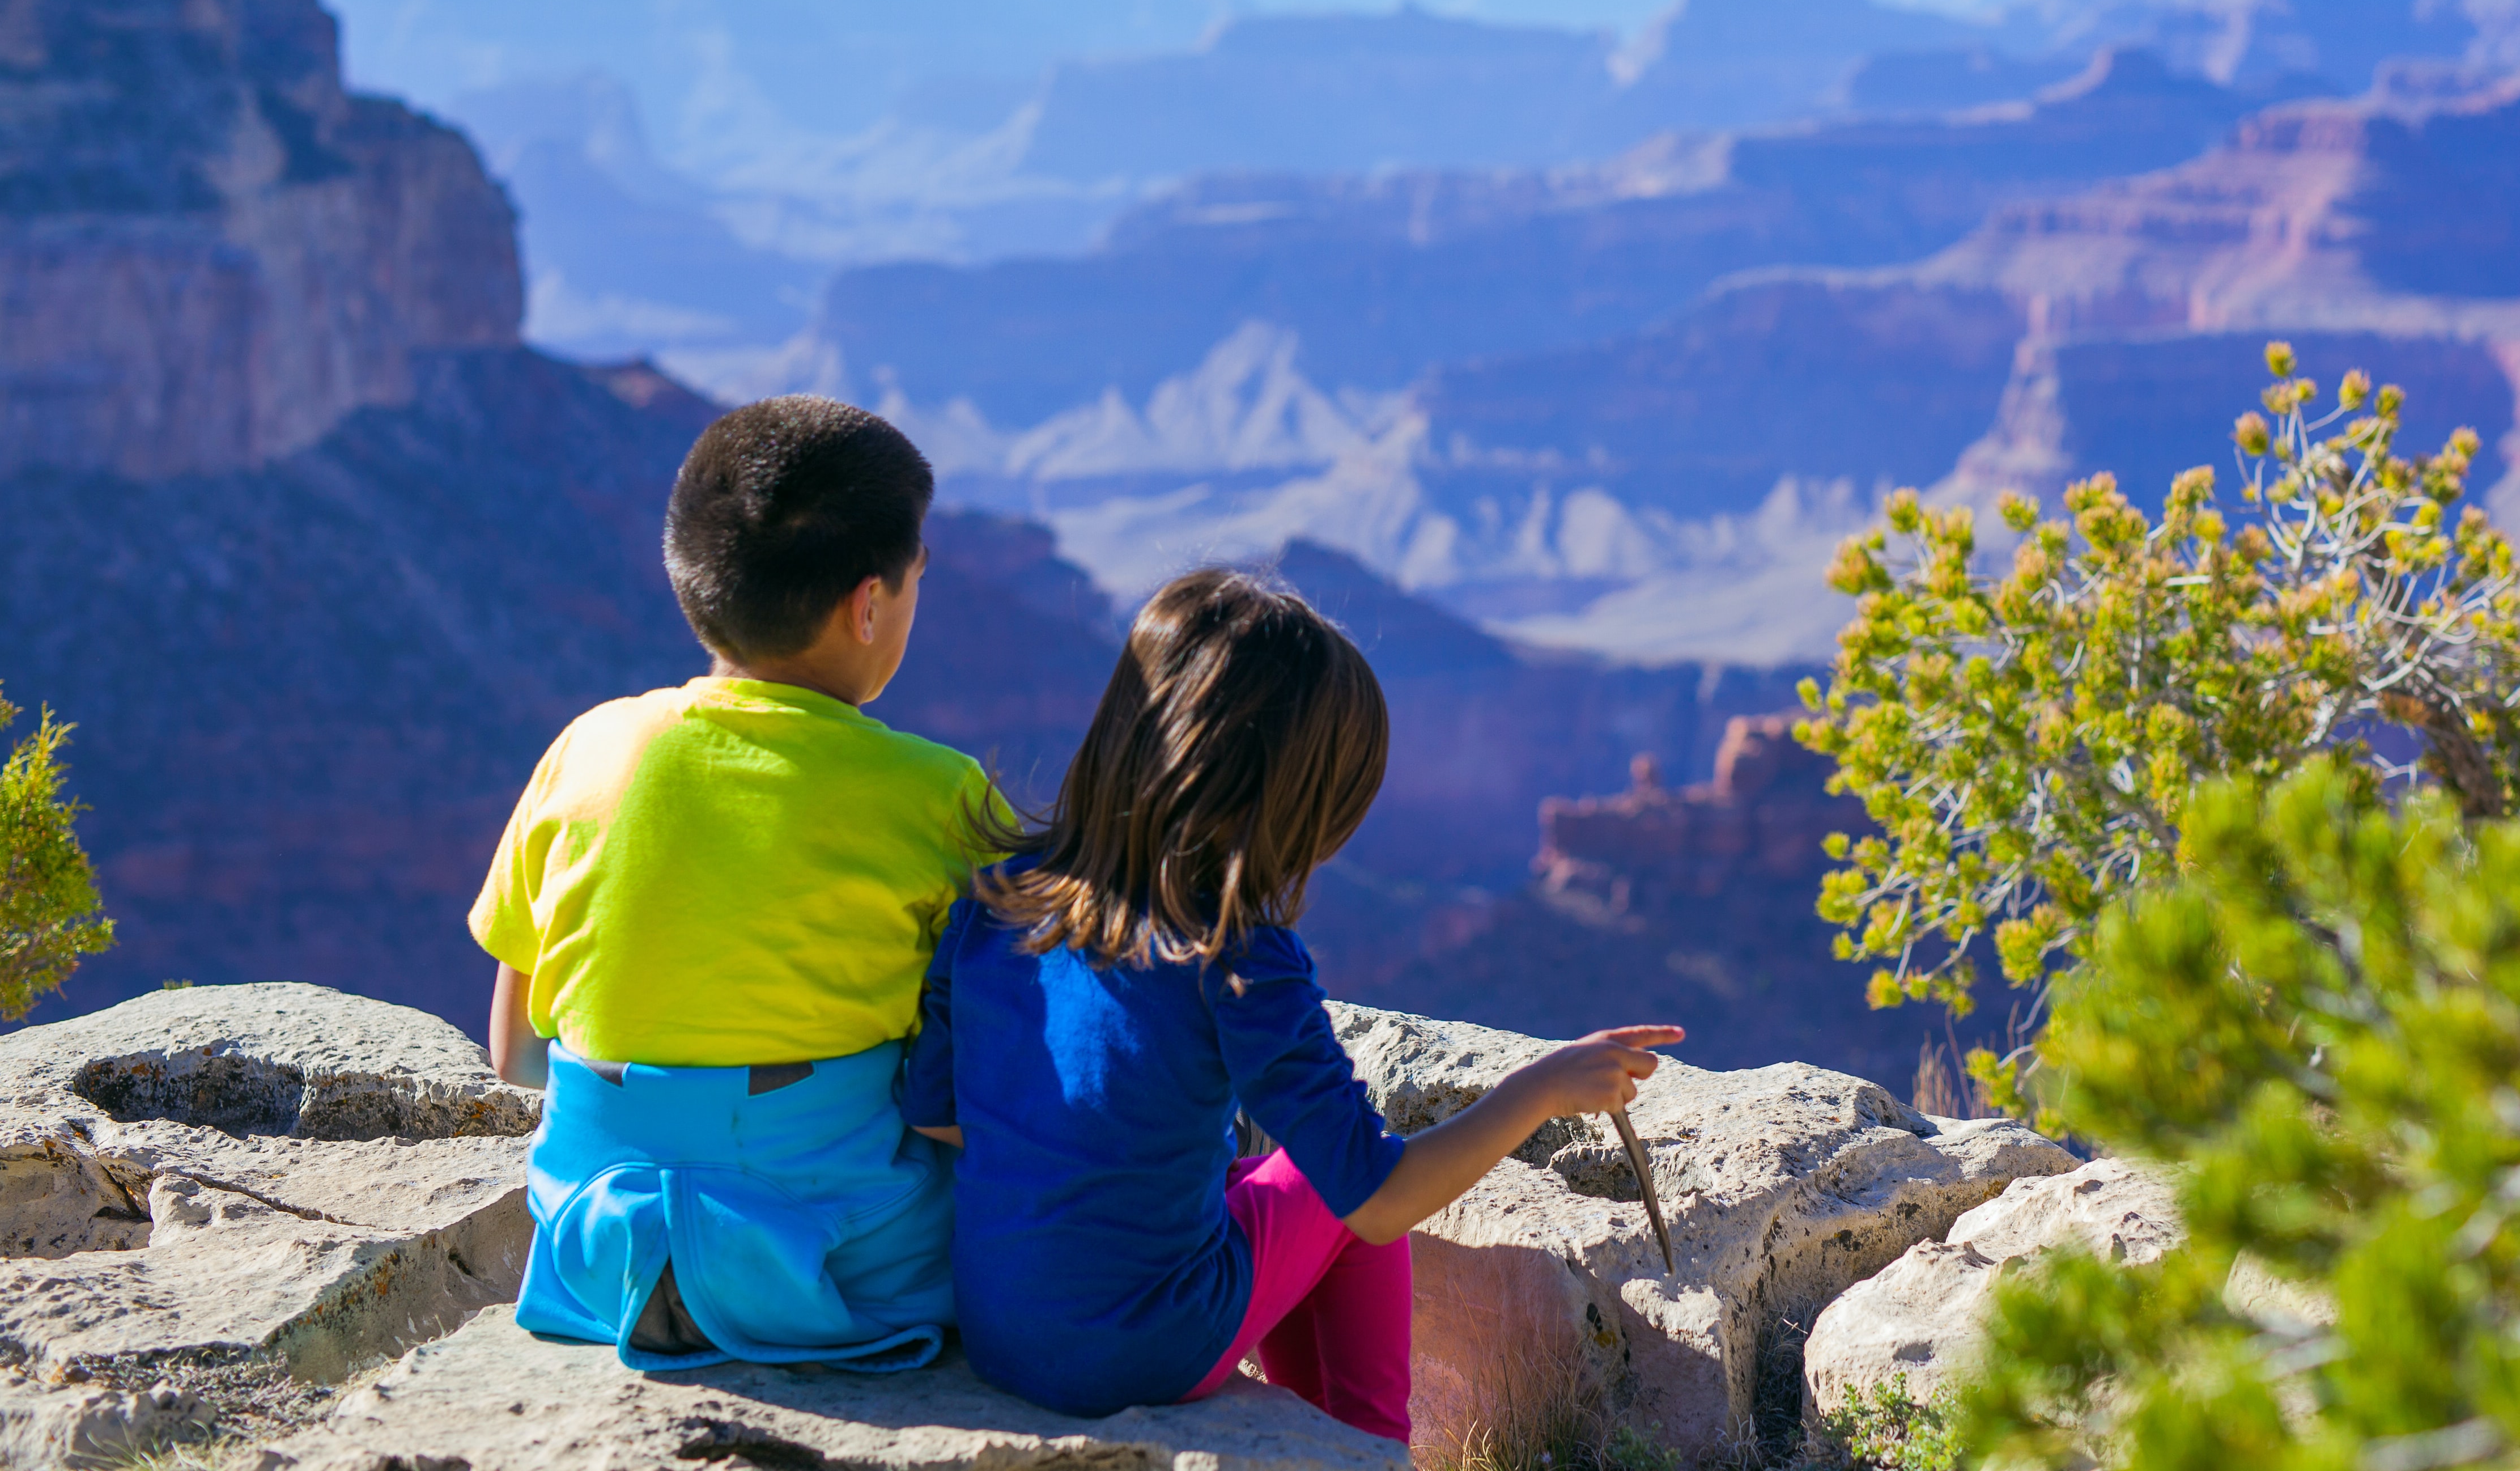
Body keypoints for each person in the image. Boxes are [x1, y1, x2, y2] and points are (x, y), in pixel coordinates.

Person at [903, 567, 1678, 1442]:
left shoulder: (997, 899)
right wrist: (1542, 1087)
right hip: (1145, 1350)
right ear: (1288, 798)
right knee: (1331, 1173)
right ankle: (1369, 1448)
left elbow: (940, 1119)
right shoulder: (1235, 956)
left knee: (1255, 1178)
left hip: (1000, 1331)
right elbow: (1377, 1198)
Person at [469, 395, 1002, 1371]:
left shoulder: (588, 748)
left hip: (602, 1254)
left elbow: (512, 1049)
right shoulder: (944, 796)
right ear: (869, 603)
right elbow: (991, 1075)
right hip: (848, 1270)